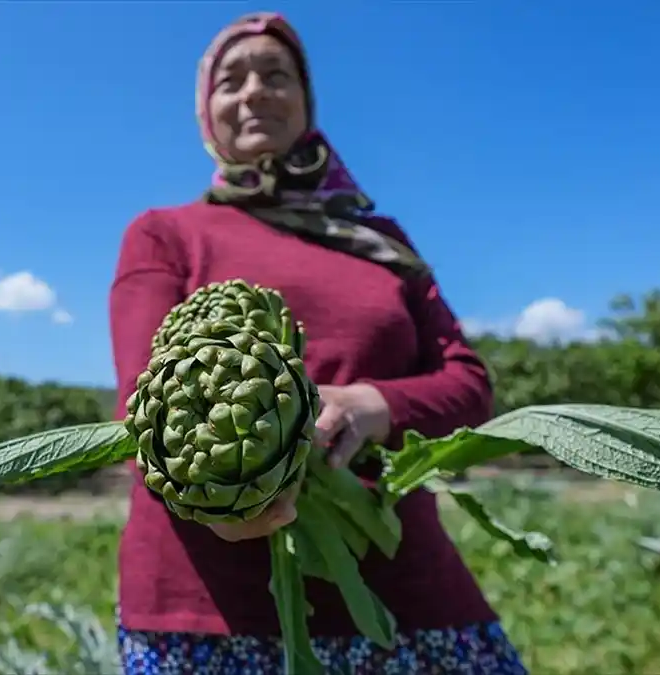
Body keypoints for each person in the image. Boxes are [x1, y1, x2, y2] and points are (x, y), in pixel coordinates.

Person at [108, 12, 528, 675]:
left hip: (411, 595)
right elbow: (141, 408)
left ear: (306, 102)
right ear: (206, 109)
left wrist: (369, 405)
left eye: (277, 76)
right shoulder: (166, 235)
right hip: (213, 608)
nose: (254, 92)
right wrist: (230, 497)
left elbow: (470, 384)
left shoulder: (383, 243)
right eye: (232, 79)